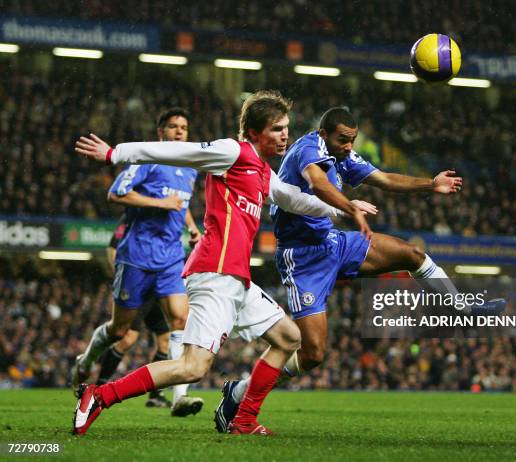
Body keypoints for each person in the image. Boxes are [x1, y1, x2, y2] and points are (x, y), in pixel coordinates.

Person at [72, 91, 376, 436]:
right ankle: (98, 396)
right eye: (277, 129)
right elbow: (178, 151)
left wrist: (345, 208)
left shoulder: (262, 171)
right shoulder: (233, 152)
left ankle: (242, 420)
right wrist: (116, 153)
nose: (285, 136)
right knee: (191, 367)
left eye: (287, 128)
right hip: (214, 273)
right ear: (255, 132)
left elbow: (294, 200)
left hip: (237, 280)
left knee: (290, 338)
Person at [214, 107, 506, 431]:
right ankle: (238, 395)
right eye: (343, 140)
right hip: (303, 259)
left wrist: (430, 184)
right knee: (312, 353)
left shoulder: (344, 155)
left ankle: (460, 306)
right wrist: (351, 206)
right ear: (324, 133)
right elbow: (318, 181)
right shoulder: (308, 149)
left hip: (334, 242)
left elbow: (383, 179)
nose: (349, 146)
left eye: (352, 140)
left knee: (411, 254)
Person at [72, 108, 204, 418]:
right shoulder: (146, 160)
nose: (179, 132)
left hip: (171, 257)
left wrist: (191, 224)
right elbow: (115, 194)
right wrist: (160, 203)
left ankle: (179, 397)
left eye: (184, 127)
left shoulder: (189, 168)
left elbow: (179, 202)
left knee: (180, 319)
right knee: (120, 331)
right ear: (161, 132)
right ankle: (85, 362)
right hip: (136, 256)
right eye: (173, 127)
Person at [96, 213, 172, 409]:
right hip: (139, 285)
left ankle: (155, 395)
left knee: (165, 340)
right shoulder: (133, 216)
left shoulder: (168, 218)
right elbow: (113, 247)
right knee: (127, 338)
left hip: (158, 288)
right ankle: (99, 386)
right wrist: (122, 277)